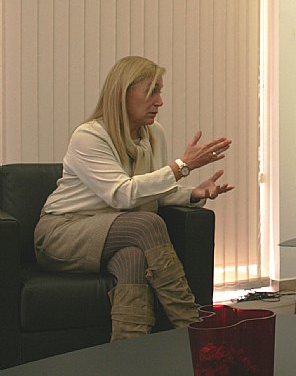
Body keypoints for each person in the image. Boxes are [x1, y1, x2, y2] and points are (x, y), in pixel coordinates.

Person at [34, 56, 234, 341]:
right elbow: (122, 194)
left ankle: (128, 353)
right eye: (151, 91)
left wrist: (193, 193)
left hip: (113, 231)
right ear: (123, 93)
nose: (160, 101)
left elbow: (148, 190)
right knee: (147, 224)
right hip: (63, 233)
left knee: (133, 259)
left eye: (160, 91)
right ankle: (195, 330)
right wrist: (182, 167)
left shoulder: (154, 133)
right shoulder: (89, 136)